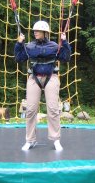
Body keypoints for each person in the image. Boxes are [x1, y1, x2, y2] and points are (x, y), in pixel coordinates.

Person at [14, 20, 71, 151]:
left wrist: (65, 42)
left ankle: (56, 140)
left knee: (53, 109)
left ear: (45, 33)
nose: (35, 33)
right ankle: (30, 140)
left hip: (51, 77)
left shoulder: (54, 46)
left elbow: (65, 58)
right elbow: (19, 58)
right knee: (30, 110)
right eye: (34, 31)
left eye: (37, 31)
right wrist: (19, 43)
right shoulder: (29, 46)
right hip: (34, 78)